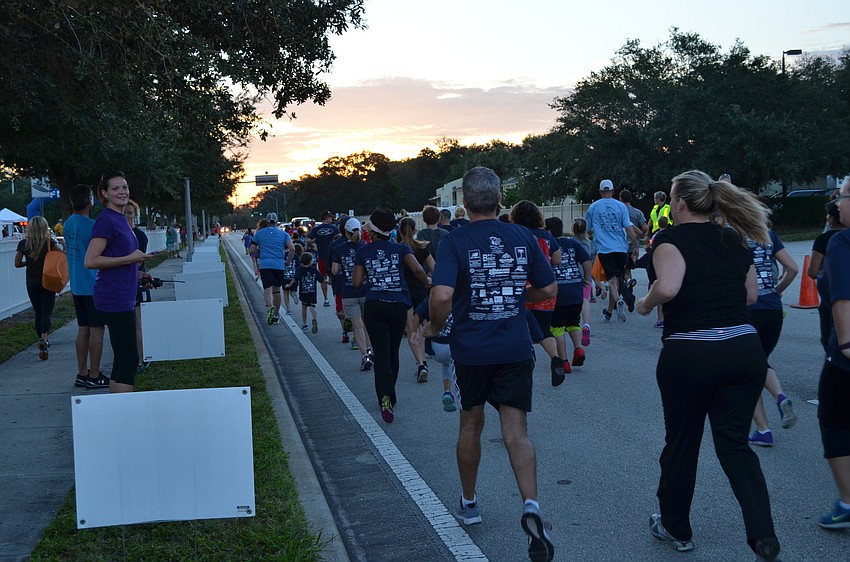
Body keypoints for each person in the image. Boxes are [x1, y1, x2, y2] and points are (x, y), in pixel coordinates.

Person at [636, 170, 780, 561]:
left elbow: (668, 286)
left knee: (682, 443)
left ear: (679, 203)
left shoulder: (667, 239)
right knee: (734, 444)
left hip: (691, 354)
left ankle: (675, 526)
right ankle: (763, 535)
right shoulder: (733, 238)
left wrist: (646, 303)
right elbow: (750, 294)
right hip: (743, 351)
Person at [426, 167, 557, 562]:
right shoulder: (523, 236)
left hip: (471, 349)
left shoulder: (455, 240)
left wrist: (434, 326)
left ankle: (469, 502)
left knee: (471, 424)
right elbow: (548, 288)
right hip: (516, 347)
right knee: (516, 431)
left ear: (463, 203)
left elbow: (443, 294)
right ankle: (531, 505)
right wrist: (515, 294)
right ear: (500, 200)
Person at [352, 209, 430, 424]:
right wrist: (426, 283)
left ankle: (383, 397)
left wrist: (373, 278)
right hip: (398, 304)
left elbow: (357, 283)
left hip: (375, 305)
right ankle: (391, 394)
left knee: (380, 353)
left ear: (373, 231)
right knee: (393, 350)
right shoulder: (401, 248)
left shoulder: (363, 252)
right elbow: (416, 269)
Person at [85, 171, 153, 393]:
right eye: (115, 188)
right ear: (104, 194)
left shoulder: (121, 219)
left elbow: (121, 259)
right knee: (129, 358)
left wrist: (140, 273)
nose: (122, 192)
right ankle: (125, 412)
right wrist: (130, 258)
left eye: (124, 187)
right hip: (113, 298)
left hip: (124, 295)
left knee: (122, 357)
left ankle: (118, 409)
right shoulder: (106, 220)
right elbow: (91, 261)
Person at [816, 177, 850, 529]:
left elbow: (842, 298)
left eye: (842, 197)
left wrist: (845, 345)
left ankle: (847, 500)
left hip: (843, 358)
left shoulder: (841, 242)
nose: (837, 204)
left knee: (834, 417)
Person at [746, 228, 799, 447]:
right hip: (773, 309)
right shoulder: (767, 234)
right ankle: (779, 397)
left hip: (747, 307)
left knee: (749, 369)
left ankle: (764, 429)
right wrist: (777, 291)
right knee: (758, 363)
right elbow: (793, 268)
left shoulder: (730, 235)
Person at [509, 200, 564, 385]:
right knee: (544, 328)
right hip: (543, 288)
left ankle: (527, 361)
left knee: (521, 327)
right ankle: (556, 358)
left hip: (521, 288)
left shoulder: (514, 234)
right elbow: (557, 259)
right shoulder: (546, 235)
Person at [64, 184, 108, 388]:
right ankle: (95, 375)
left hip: (77, 285)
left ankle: (82, 372)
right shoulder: (92, 225)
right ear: (90, 200)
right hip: (93, 284)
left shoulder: (68, 224)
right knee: (97, 331)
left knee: (83, 329)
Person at [584, 179, 638, 323]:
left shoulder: (593, 207)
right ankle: (609, 311)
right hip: (621, 248)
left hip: (604, 249)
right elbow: (628, 227)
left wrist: (588, 239)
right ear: (613, 191)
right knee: (617, 278)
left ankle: (619, 299)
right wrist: (636, 246)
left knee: (612, 281)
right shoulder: (621, 206)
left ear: (600, 191)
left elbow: (586, 229)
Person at [545, 217, 591, 372]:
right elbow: (586, 261)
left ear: (548, 231)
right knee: (573, 322)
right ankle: (578, 349)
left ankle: (564, 361)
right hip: (575, 290)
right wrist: (586, 278)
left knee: (557, 328)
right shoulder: (572, 243)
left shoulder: (548, 244)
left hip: (558, 292)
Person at [15, 216, 61, 360]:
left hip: (32, 283)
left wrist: (29, 263)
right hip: (47, 281)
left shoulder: (24, 244)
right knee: (47, 313)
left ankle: (40, 340)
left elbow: (17, 263)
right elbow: (61, 253)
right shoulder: (50, 243)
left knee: (38, 312)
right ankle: (45, 338)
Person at [332, 217, 374, 370]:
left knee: (357, 326)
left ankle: (364, 356)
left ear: (345, 233)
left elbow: (335, 271)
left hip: (348, 291)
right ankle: (371, 350)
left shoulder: (339, 249)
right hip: (365, 289)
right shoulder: (366, 247)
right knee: (368, 323)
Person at [398, 217, 435, 383]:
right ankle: (424, 361)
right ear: (414, 230)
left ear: (399, 231)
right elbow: (434, 267)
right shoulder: (422, 247)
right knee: (421, 327)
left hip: (404, 291)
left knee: (410, 327)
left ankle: (420, 364)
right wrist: (427, 279)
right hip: (421, 290)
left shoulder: (398, 249)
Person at [808, 200, 845, 351]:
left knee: (830, 341)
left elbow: (813, 272)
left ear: (831, 218)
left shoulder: (823, 240)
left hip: (830, 298)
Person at [250, 212, 295, 325]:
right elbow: (292, 248)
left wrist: (260, 250)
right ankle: (276, 314)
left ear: (267, 220)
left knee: (267, 289)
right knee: (276, 290)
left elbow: (251, 249)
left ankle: (270, 306)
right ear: (276, 221)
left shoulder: (259, 234)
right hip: (279, 264)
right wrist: (288, 261)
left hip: (265, 265)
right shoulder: (283, 234)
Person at [124, 199, 152, 374]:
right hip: (120, 286)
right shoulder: (115, 234)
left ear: (135, 216)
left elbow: (138, 261)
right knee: (124, 324)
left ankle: (140, 360)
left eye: (130, 213)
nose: (126, 216)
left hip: (137, 283)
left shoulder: (140, 236)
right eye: (123, 213)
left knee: (138, 324)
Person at [307, 211, 340, 307]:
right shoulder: (334, 228)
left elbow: (308, 240)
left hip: (321, 257)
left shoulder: (316, 229)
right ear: (327, 218)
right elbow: (340, 238)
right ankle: (336, 296)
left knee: (323, 278)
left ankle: (326, 299)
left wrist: (313, 246)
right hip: (333, 257)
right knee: (334, 277)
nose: (332, 219)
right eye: (331, 218)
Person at [287, 252, 323, 333]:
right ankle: (314, 319)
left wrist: (289, 285)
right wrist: (328, 282)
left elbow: (295, 278)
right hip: (312, 292)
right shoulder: (314, 269)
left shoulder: (300, 269)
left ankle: (304, 324)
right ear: (310, 261)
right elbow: (321, 279)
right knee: (312, 306)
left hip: (303, 292)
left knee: (304, 307)